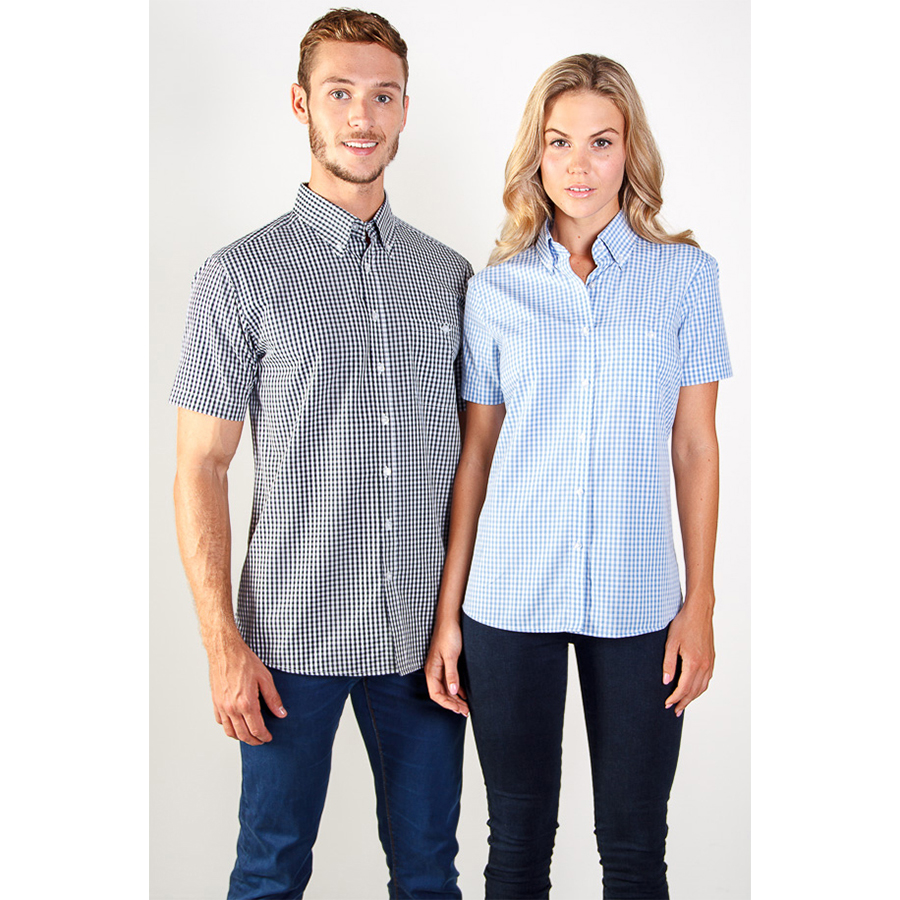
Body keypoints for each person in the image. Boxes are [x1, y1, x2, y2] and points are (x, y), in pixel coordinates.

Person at [171, 9, 471, 899]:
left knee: (429, 874)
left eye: (383, 95)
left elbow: (480, 458)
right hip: (284, 639)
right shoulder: (237, 277)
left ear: (406, 108)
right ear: (301, 104)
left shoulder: (451, 278)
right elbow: (200, 467)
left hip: (424, 642)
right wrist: (222, 644)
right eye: (339, 93)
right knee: (270, 871)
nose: (362, 117)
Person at [425, 53, 732, 900]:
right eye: (559, 141)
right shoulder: (496, 292)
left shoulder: (687, 278)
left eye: (601, 141)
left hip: (640, 600)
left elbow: (696, 446)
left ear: (630, 150)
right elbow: (476, 456)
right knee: (517, 846)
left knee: (635, 850)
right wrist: (448, 614)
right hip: (509, 596)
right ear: (537, 152)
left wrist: (700, 602)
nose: (579, 164)